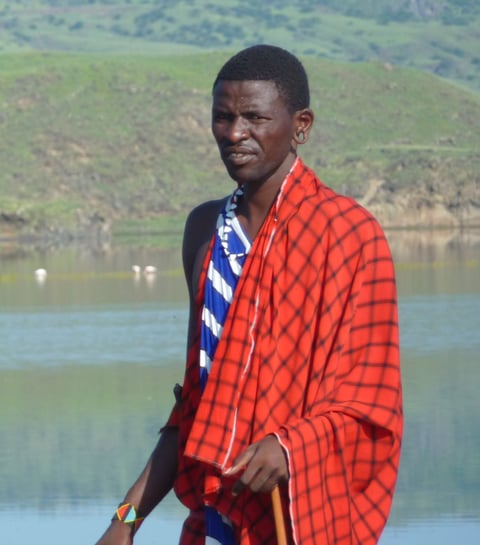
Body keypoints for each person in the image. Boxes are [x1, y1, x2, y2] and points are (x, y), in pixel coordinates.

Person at [94, 44, 403, 545]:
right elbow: (198, 404)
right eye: (223, 117)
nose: (235, 134)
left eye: (254, 117)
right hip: (216, 524)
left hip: (300, 522)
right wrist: (125, 521)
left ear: (301, 125)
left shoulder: (348, 234)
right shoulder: (204, 232)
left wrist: (291, 448)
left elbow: (370, 403)